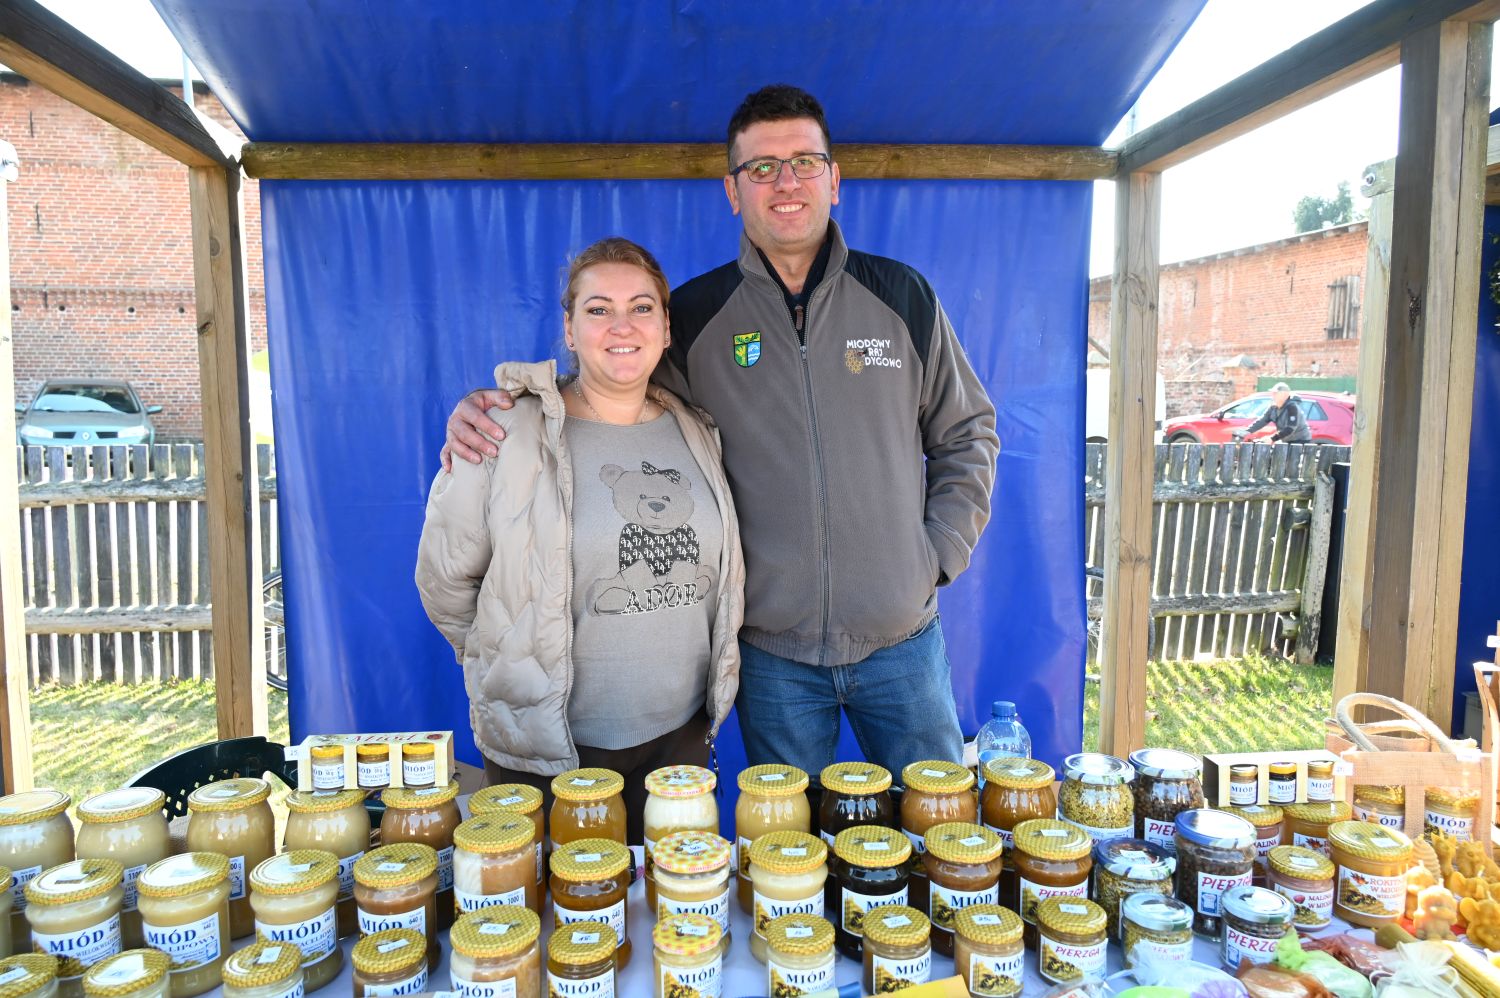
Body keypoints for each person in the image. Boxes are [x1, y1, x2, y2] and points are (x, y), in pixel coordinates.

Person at [441, 86, 998, 786]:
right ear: (733, 191)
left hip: (903, 641)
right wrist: (503, 406)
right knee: (788, 839)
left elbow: (968, 432)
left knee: (937, 820)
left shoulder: (901, 297)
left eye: (803, 162)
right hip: (773, 655)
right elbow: (612, 382)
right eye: (761, 168)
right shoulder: (699, 316)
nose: (785, 182)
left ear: (834, 179)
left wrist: (934, 555)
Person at [415, 237, 745, 842]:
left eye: (641, 307)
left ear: (666, 329)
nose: (622, 325)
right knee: (557, 898)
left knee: (674, 898)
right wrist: (509, 659)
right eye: (598, 309)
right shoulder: (504, 430)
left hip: (679, 742)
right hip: (549, 751)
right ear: (569, 329)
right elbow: (445, 579)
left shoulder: (698, 430)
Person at [1235, 382, 1311, 443]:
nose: (1272, 395)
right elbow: (1262, 421)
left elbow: (1290, 428)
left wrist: (1272, 438)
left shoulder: (1292, 407)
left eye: (1275, 393)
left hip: (1300, 441)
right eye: (1272, 393)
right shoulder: (1273, 407)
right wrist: (1247, 431)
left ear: (1284, 394)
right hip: (1286, 440)